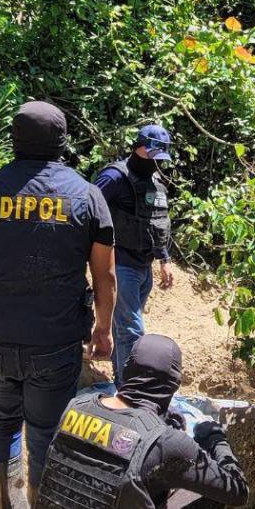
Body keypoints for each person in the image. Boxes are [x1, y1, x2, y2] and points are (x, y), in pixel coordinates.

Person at [0, 101, 117, 509]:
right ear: (62, 142)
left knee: (1, 424)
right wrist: (104, 329)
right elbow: (106, 275)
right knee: (46, 433)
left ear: (14, 139)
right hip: (55, 341)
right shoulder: (87, 196)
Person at [24, 334, 248, 509]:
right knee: (209, 493)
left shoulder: (76, 408)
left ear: (127, 372)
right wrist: (216, 439)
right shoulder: (167, 444)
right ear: (172, 387)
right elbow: (237, 489)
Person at [93, 124, 175, 385]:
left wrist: (164, 259)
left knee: (123, 328)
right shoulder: (115, 176)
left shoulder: (154, 183)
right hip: (120, 265)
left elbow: (156, 222)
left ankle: (121, 384)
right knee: (132, 331)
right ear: (138, 147)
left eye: (159, 158)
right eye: (151, 155)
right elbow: (89, 208)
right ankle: (131, 391)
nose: (155, 163)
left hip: (143, 266)